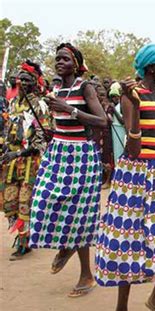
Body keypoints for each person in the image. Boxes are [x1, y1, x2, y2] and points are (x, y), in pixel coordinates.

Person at [95, 43, 155, 311]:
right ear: (151, 69)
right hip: (133, 176)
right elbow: (133, 147)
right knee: (128, 245)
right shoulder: (132, 96)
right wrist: (130, 103)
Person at [28, 43, 108, 297]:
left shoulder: (85, 87)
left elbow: (103, 121)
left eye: (64, 58)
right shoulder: (56, 88)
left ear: (75, 64)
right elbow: (63, 123)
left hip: (81, 156)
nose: (58, 62)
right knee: (42, 200)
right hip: (58, 152)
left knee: (80, 216)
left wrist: (69, 109)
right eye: (56, 58)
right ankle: (66, 246)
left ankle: (86, 275)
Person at [1, 61, 52, 260]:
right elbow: (8, 130)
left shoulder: (39, 105)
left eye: (26, 79)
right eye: (19, 78)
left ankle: (24, 242)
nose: (21, 81)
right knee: (9, 201)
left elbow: (41, 139)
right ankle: (24, 236)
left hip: (30, 162)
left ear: (34, 82)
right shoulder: (13, 103)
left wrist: (20, 154)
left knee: (25, 202)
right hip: (11, 161)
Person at [95, 85, 115, 189]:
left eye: (103, 94)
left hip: (107, 134)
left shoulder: (109, 106)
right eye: (99, 94)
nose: (101, 96)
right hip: (97, 134)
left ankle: (108, 180)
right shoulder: (93, 105)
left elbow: (109, 120)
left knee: (107, 157)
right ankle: (100, 178)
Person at [109, 82, 126, 165]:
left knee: (120, 151)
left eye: (116, 96)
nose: (114, 99)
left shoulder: (122, 105)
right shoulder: (116, 105)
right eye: (112, 97)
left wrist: (114, 110)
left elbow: (123, 121)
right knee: (117, 152)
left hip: (121, 130)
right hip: (115, 130)